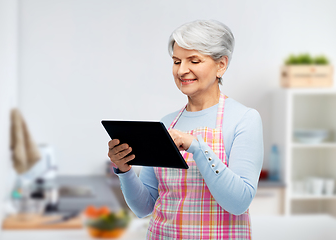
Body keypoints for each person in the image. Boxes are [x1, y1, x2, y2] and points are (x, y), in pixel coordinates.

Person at [108, 19, 263, 240]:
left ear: (221, 65)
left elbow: (238, 203)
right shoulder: (168, 123)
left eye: (194, 60)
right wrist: (124, 170)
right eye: (176, 61)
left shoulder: (244, 119)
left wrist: (196, 146)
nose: (182, 70)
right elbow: (144, 207)